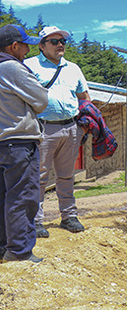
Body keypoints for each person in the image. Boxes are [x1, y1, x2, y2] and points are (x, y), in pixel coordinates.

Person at [24, 26, 90, 238]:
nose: (60, 44)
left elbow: (84, 97)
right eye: (54, 41)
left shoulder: (73, 68)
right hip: (42, 128)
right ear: (42, 46)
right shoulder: (28, 65)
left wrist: (85, 123)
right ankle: (35, 221)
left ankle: (68, 216)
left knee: (66, 176)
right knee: (39, 177)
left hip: (71, 128)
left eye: (62, 41)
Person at [0, 24, 48, 263]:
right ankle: (19, 252)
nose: (28, 50)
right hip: (18, 143)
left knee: (3, 196)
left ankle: (3, 247)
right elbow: (41, 100)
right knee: (22, 196)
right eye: (25, 45)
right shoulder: (12, 67)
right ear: (14, 46)